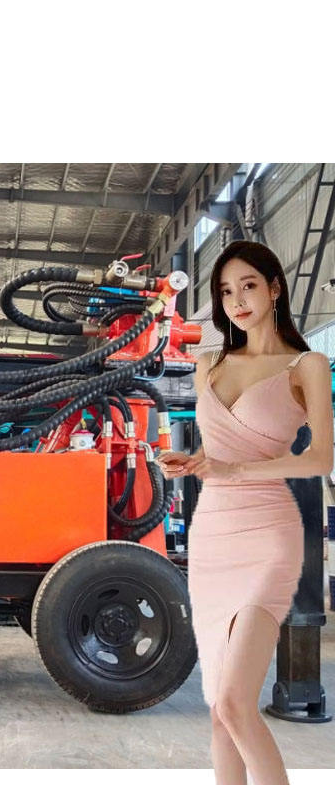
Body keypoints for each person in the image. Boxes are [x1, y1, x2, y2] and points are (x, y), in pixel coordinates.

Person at [156, 240, 333, 785]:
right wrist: (192, 463)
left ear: (275, 288)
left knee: (236, 703)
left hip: (268, 538)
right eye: (226, 291)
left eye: (249, 285)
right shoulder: (208, 363)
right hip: (213, 536)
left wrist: (235, 470)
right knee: (219, 709)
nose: (237, 300)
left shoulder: (306, 365)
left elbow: (321, 458)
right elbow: (219, 452)